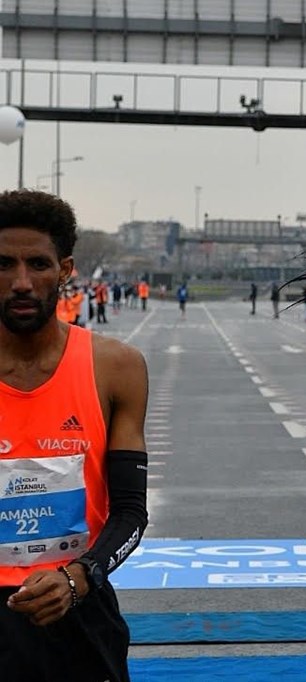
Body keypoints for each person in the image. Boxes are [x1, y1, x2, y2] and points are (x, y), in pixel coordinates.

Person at [0, 189, 150, 681]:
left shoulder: (116, 368)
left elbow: (130, 512)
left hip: (80, 610)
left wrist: (80, 576)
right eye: (3, 265)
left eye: (38, 264)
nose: (21, 282)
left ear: (65, 270)